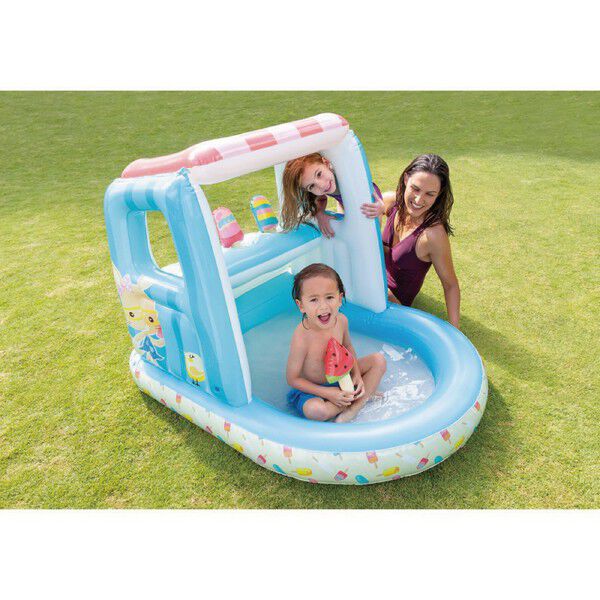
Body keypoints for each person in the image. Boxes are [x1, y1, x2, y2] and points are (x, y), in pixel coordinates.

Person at [286, 263, 386, 423]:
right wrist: (328, 393)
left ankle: (352, 408)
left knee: (378, 360)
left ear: (340, 299)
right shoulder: (302, 336)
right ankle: (362, 398)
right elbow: (293, 379)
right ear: (301, 305)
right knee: (316, 411)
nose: (323, 306)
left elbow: (347, 347)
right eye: (314, 300)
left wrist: (357, 375)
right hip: (313, 389)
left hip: (342, 378)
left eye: (329, 297)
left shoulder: (341, 321)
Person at [381, 154, 460, 328]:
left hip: (391, 302)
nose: (418, 200)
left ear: (439, 194)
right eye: (415, 189)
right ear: (406, 179)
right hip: (371, 279)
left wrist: (455, 332)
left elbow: (450, 285)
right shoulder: (391, 203)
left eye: (429, 194)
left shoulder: (432, 235)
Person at [280, 153, 384, 238]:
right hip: (343, 199)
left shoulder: (343, 174)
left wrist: (381, 206)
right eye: (311, 186)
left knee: (374, 233)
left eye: (319, 174)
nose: (321, 185)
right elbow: (320, 199)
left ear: (326, 162)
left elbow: (370, 188)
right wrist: (319, 213)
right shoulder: (325, 185)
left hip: (367, 195)